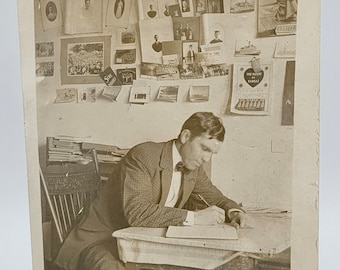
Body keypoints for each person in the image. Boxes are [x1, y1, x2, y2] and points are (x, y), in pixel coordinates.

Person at [54, 112, 253, 270]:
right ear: (185, 136)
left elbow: (214, 197)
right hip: (101, 241)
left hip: (141, 243)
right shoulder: (144, 155)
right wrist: (194, 218)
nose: (207, 159)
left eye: (212, 153)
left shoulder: (193, 166)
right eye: (205, 149)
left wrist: (233, 211)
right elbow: (137, 212)